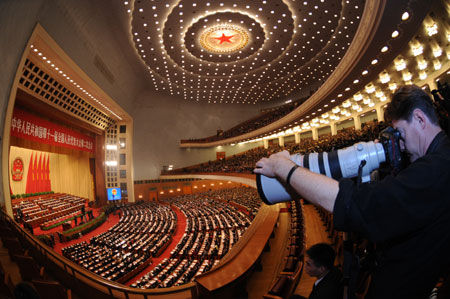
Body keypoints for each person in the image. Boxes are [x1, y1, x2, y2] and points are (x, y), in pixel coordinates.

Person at [254, 85, 450, 299]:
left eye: (401, 134)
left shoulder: (436, 168)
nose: (400, 146)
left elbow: (354, 204)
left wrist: (285, 169)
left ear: (420, 119)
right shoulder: (437, 161)